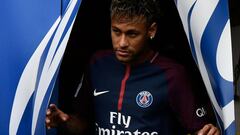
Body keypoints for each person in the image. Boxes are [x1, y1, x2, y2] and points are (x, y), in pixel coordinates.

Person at [46, 0, 220, 134]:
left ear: (151, 31)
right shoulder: (97, 63)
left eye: (132, 34)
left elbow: (198, 129)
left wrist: (209, 131)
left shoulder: (172, 74)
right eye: (116, 31)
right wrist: (64, 120)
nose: (122, 43)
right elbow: (82, 124)